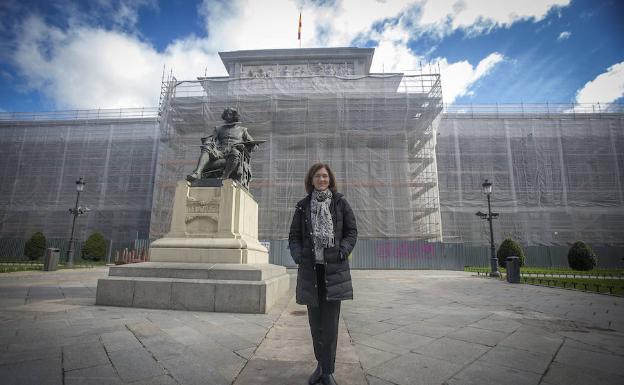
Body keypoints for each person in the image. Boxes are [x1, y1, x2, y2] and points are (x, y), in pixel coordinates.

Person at [288, 163, 357, 385]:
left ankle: (328, 371)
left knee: (330, 324)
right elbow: (294, 236)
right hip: (311, 271)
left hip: (333, 271)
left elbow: (351, 232)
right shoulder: (302, 206)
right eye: (317, 176)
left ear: (330, 179)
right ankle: (320, 365)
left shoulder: (340, 203)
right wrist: (298, 256)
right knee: (315, 323)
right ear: (311, 180)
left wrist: (343, 250)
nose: (322, 179)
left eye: (325, 176)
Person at [186, 107, 258, 187]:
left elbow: (253, 144)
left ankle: (225, 176)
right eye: (226, 114)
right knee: (207, 147)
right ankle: (197, 173)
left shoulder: (243, 130)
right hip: (219, 152)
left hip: (233, 152)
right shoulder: (218, 129)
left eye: (230, 114)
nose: (228, 115)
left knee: (235, 152)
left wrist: (248, 146)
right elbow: (211, 138)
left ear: (234, 116)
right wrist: (208, 141)